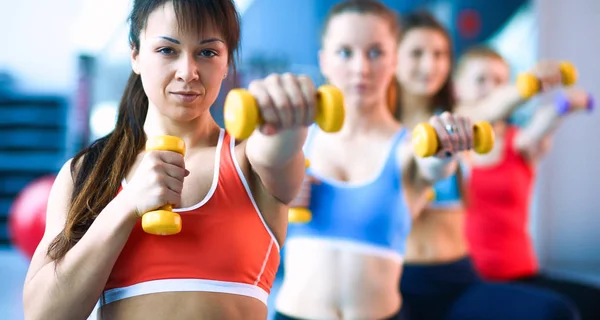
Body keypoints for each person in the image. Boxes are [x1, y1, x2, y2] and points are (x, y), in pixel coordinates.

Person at [22, 1, 329, 319]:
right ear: (136, 55)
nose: (188, 72)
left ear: (227, 64)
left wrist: (288, 119)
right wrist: (127, 205)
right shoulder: (86, 172)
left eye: (207, 52)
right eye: (168, 50)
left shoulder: (250, 160)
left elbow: (278, 150)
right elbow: (44, 314)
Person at [275, 2, 476, 320]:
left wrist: (446, 148)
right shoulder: (292, 145)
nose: (360, 69)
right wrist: (277, 198)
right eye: (344, 52)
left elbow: (436, 165)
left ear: (394, 59)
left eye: (375, 52)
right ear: (323, 60)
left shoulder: (410, 147)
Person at [395, 11, 580, 320]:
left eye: (439, 54)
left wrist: (529, 85)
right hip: (398, 280)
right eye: (417, 53)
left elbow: (494, 105)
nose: (429, 65)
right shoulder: (383, 127)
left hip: (458, 275)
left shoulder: (459, 120)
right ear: (393, 57)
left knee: (555, 312)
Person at [455, 45, 600, 320]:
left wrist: (563, 106)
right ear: (458, 87)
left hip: (521, 274)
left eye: (499, 81)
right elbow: (477, 115)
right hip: (471, 281)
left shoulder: (519, 142)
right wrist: (531, 84)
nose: (492, 88)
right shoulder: (453, 143)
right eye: (481, 80)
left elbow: (540, 126)